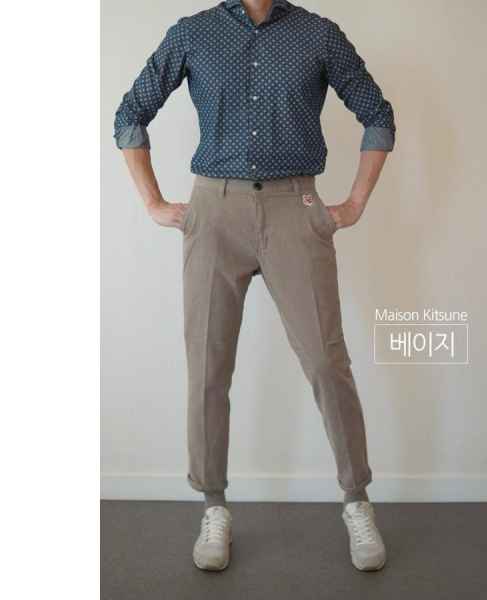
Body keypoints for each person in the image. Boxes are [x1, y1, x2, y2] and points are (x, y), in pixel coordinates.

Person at [114, 0, 395, 572]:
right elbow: (131, 113)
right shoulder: (192, 34)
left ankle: (356, 500)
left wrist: (354, 204)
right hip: (215, 211)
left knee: (326, 361)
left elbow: (378, 117)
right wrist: (153, 203)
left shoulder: (318, 34)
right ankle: (213, 506)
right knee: (208, 365)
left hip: (297, 206)